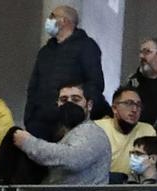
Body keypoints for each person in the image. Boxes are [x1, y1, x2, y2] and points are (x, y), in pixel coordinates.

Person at [24, 5, 105, 136]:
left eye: (52, 16)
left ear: (64, 21)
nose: (48, 20)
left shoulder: (86, 46)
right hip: (40, 123)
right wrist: (29, 118)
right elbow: (33, 86)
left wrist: (80, 114)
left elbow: (95, 83)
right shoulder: (45, 51)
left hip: (69, 124)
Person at [93, 87, 155, 178]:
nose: (134, 109)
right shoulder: (97, 128)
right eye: (128, 103)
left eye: (138, 105)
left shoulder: (147, 130)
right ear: (114, 108)